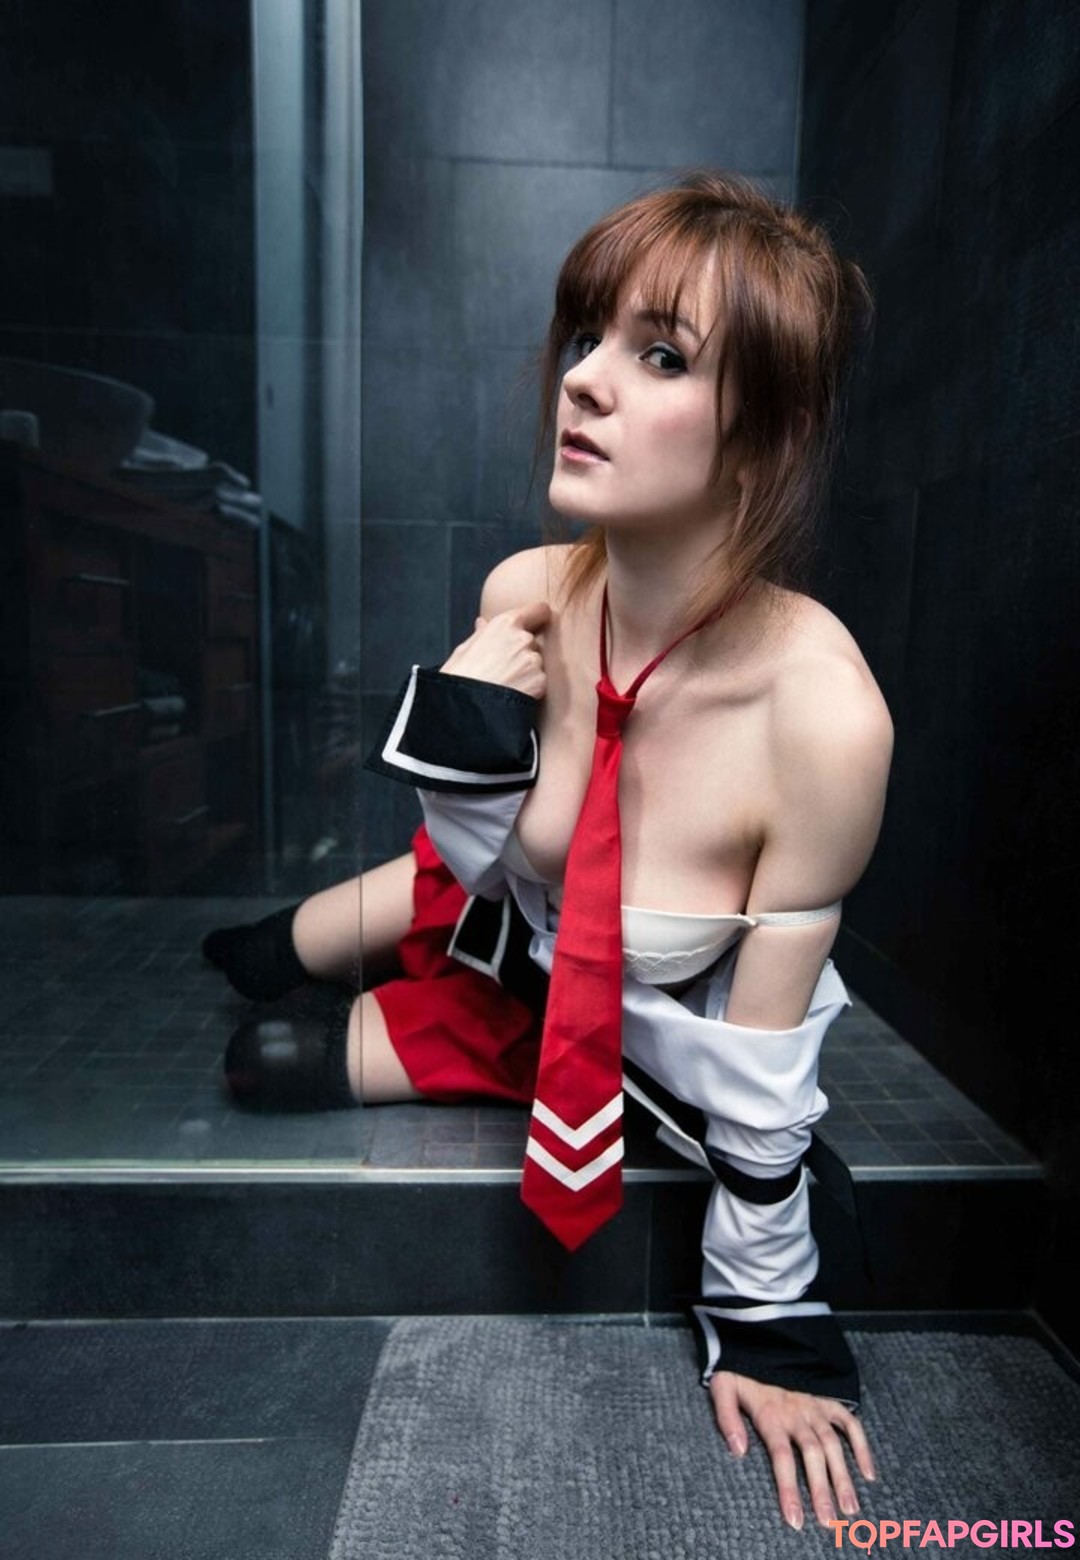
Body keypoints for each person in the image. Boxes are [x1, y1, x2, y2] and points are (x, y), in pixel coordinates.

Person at [205, 171, 891, 1531]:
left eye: (661, 356)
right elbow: (485, 860)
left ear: (765, 433)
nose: (582, 380)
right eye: (587, 337)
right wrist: (468, 724)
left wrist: (769, 1325)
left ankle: (354, 963)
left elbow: (762, 1082)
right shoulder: (524, 594)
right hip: (496, 911)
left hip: (604, 1031)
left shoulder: (823, 720)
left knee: (265, 1060)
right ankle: (310, 934)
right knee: (255, 959)